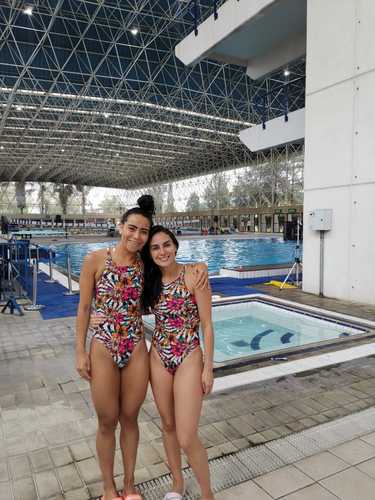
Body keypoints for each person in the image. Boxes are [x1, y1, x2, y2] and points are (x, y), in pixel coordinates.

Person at [77, 196, 208, 500]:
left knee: (130, 418)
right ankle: (109, 489)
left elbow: (171, 268)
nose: (137, 236)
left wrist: (200, 266)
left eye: (143, 231)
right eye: (132, 228)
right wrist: (80, 351)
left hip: (136, 346)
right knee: (107, 420)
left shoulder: (145, 264)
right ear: (120, 227)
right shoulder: (95, 260)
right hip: (103, 346)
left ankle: (129, 485)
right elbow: (84, 308)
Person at [142, 226, 215, 500]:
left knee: (186, 436)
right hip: (159, 355)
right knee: (168, 425)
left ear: (175, 245)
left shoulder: (194, 275)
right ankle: (177, 484)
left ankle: (207, 494)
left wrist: (208, 366)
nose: (162, 251)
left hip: (188, 355)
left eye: (166, 245)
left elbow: (207, 325)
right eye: (155, 247)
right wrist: (94, 317)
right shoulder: (150, 281)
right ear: (149, 253)